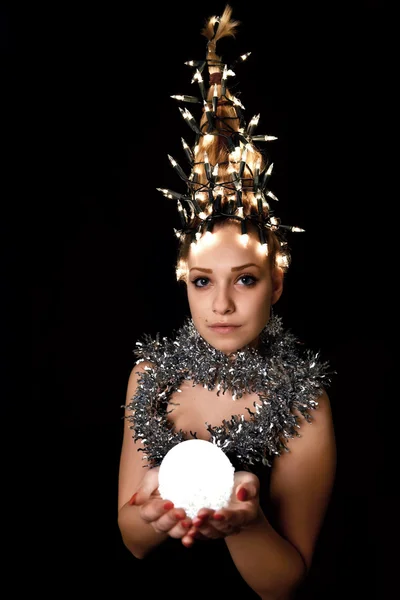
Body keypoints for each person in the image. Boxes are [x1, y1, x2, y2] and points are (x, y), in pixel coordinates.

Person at [117, 5, 336, 599]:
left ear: (277, 283)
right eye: (202, 281)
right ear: (183, 281)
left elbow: (284, 585)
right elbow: (133, 539)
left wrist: (246, 524)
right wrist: (154, 513)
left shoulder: (303, 405)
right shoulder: (151, 377)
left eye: (244, 280)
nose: (221, 304)